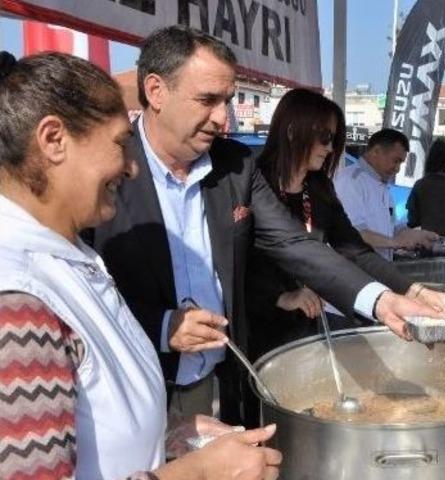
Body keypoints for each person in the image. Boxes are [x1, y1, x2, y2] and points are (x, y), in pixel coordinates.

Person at [86, 26, 440, 426]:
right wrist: (162, 325)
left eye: (226, 101)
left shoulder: (235, 165)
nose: (222, 118)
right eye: (207, 100)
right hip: (131, 385)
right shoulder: (107, 163)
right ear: (155, 91)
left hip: (223, 376)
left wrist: (383, 300)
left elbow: (295, 244)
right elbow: (74, 286)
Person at [0, 52, 280, 480]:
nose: (132, 167)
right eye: (119, 143)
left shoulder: (70, 255)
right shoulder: (17, 302)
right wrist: (198, 472)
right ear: (54, 139)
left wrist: (167, 433)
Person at [247, 89, 445, 359]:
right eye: (325, 138)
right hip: (260, 328)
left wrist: (414, 290)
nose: (330, 148)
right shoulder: (254, 183)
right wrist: (281, 297)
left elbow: (354, 249)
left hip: (311, 323)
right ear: (293, 131)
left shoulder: (319, 188)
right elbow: (237, 263)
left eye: (334, 140)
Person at [334, 128, 438, 260]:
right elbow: (353, 233)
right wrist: (395, 243)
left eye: (401, 163)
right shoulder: (350, 181)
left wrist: (419, 236)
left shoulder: (382, 185)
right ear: (376, 151)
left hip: (378, 266)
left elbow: (394, 229)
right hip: (354, 268)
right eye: (395, 160)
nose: (397, 169)